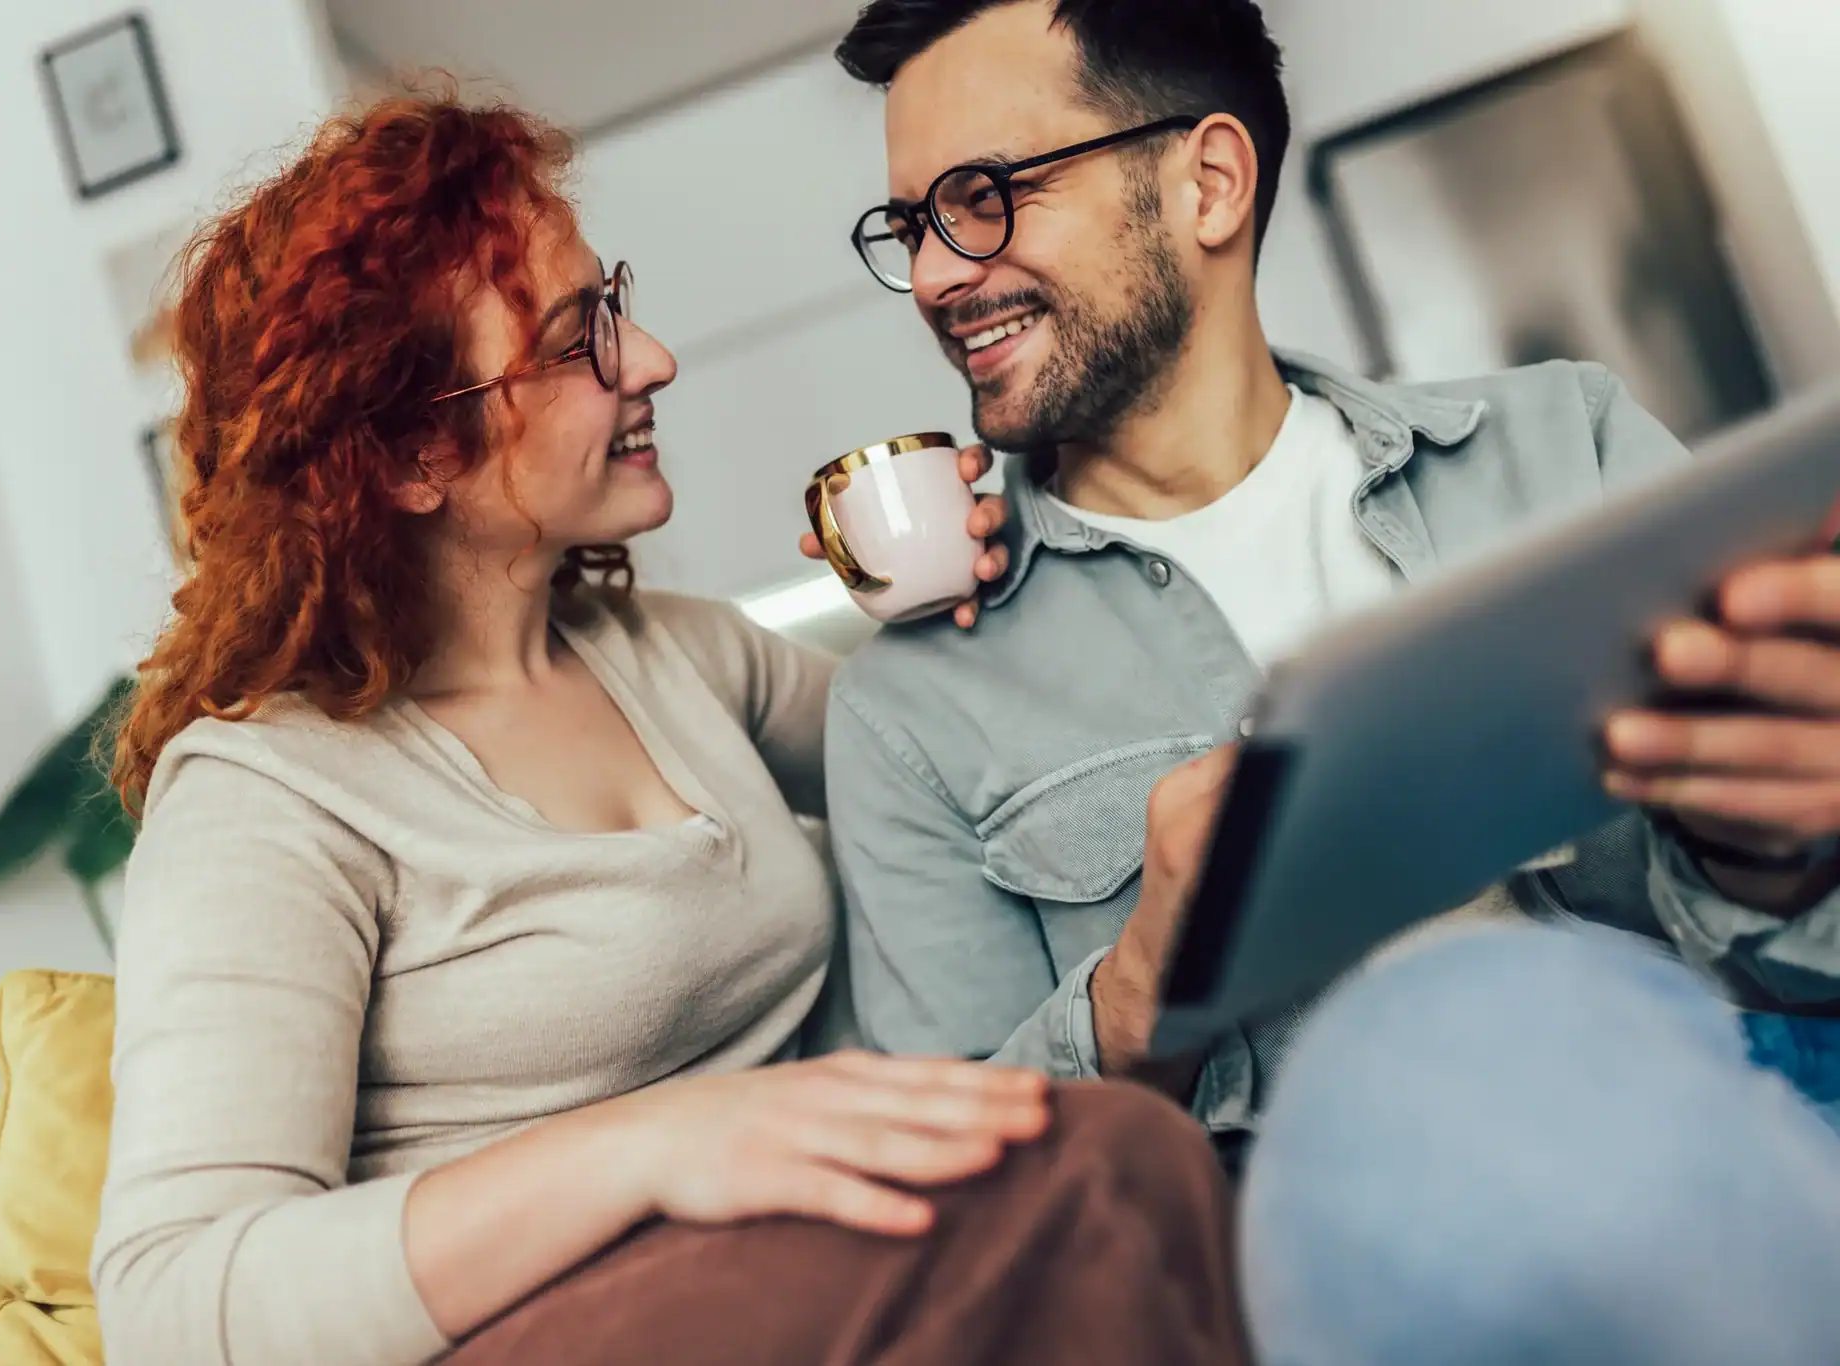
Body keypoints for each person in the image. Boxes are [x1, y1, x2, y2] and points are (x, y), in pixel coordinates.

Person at [90, 92, 1255, 1366]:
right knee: (1110, 1168)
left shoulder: (672, 656)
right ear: (416, 452)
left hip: (805, 1269)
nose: (649, 359)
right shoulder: (265, 795)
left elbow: (971, 776)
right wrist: (653, 1145)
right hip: (550, 1328)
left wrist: (952, 610)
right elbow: (171, 1303)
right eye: (577, 340)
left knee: (1148, 1160)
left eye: (613, 304)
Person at [811, 1, 1840, 1360]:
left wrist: (1767, 849)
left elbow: (1809, 954)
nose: (937, 275)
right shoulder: (912, 705)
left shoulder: (1564, 445)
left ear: (1209, 181)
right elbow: (965, 1226)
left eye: (985, 198)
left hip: (1726, 1151)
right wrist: (1137, 989)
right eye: (911, 226)